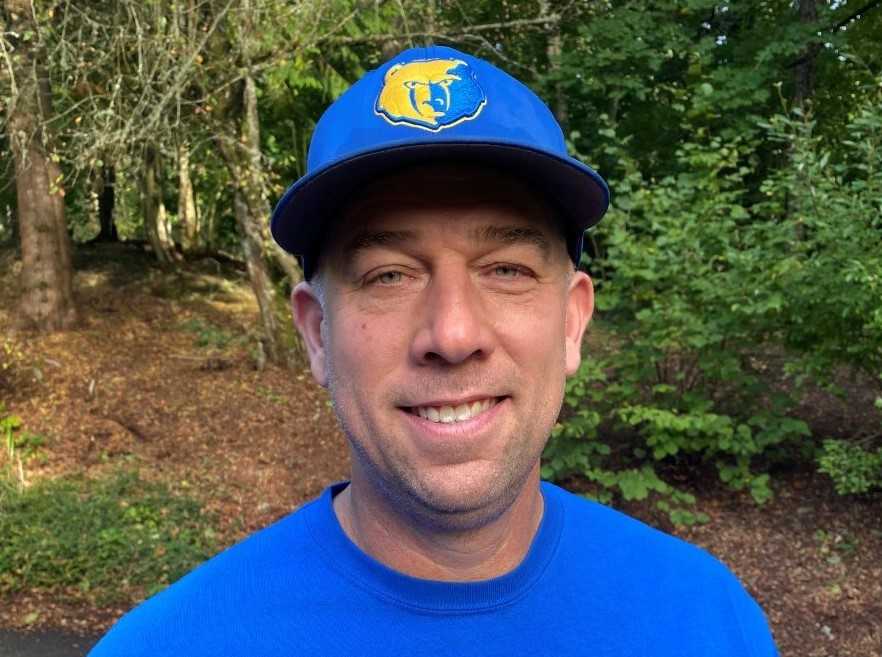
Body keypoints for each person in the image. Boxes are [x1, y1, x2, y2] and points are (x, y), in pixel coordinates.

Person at [88, 45, 779, 656]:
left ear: (571, 322)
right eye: (389, 275)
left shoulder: (708, 621)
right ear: (318, 334)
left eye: (506, 269)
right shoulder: (169, 645)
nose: (452, 335)